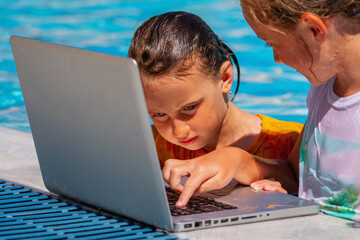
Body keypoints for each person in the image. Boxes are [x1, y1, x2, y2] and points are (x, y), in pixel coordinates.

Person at [161, 2, 360, 221]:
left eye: (271, 43)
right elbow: (296, 176)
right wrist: (236, 161)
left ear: (313, 30)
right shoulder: (324, 86)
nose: (277, 58)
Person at [127, 11, 302, 206]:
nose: (179, 131)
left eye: (189, 108)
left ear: (225, 79)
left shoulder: (291, 142)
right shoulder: (151, 146)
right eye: (159, 114)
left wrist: (286, 194)